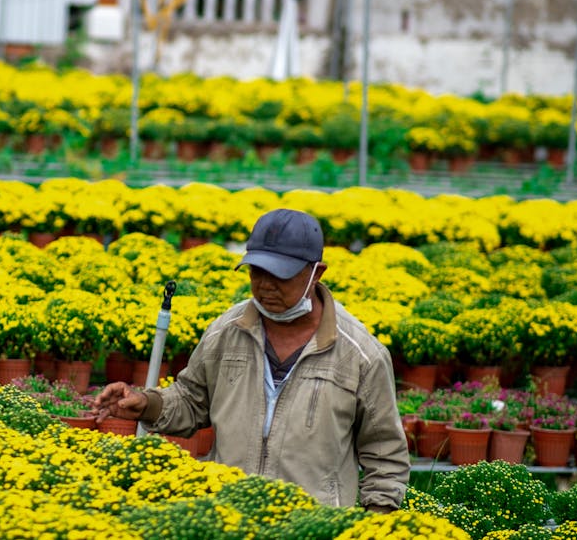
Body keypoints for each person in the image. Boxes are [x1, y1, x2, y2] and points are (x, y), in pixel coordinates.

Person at [92, 208, 409, 512]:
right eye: (257, 272)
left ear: (316, 273)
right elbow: (191, 400)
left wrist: (373, 523)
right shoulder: (227, 332)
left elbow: (386, 459)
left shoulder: (360, 355)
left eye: (280, 275)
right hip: (228, 518)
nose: (265, 285)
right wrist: (146, 404)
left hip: (314, 526)